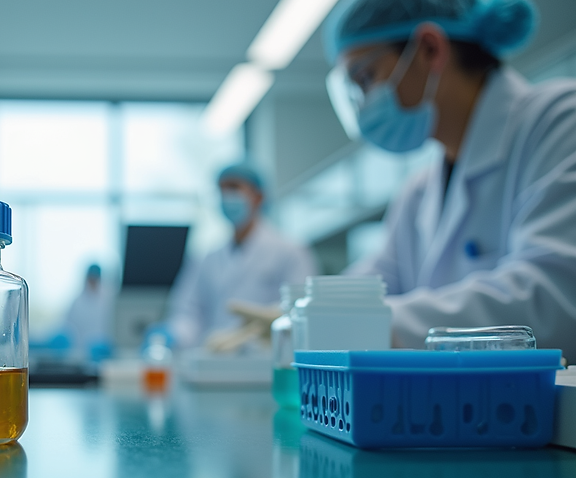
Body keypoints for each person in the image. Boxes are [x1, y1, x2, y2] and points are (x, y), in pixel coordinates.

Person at [324, 0, 576, 358]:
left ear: (430, 49)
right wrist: (307, 309)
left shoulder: (560, 123)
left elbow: (555, 300)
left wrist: (373, 324)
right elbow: (374, 283)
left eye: (366, 78)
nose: (364, 103)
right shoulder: (417, 192)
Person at [167, 163, 318, 349]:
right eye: (221, 190)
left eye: (234, 188)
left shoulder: (291, 252)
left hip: (266, 360)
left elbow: (300, 311)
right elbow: (189, 311)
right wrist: (174, 335)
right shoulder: (207, 259)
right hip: (215, 358)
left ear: (258, 196)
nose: (226, 197)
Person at [63, 264, 113, 356]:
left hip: (105, 351)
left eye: (95, 278)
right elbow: (68, 329)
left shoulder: (109, 299)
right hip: (82, 353)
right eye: (91, 278)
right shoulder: (77, 303)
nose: (93, 281)